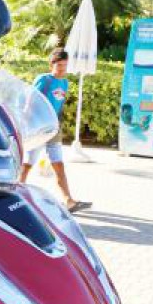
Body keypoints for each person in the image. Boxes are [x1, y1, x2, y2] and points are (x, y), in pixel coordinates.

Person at [19, 47, 91, 214]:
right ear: (51, 65)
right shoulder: (44, 80)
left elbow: (58, 106)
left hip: (53, 128)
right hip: (38, 127)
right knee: (28, 164)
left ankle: (68, 200)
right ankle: (15, 193)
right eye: (59, 65)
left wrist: (57, 125)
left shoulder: (65, 82)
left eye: (65, 65)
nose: (62, 69)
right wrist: (27, 123)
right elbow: (30, 101)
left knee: (58, 163)